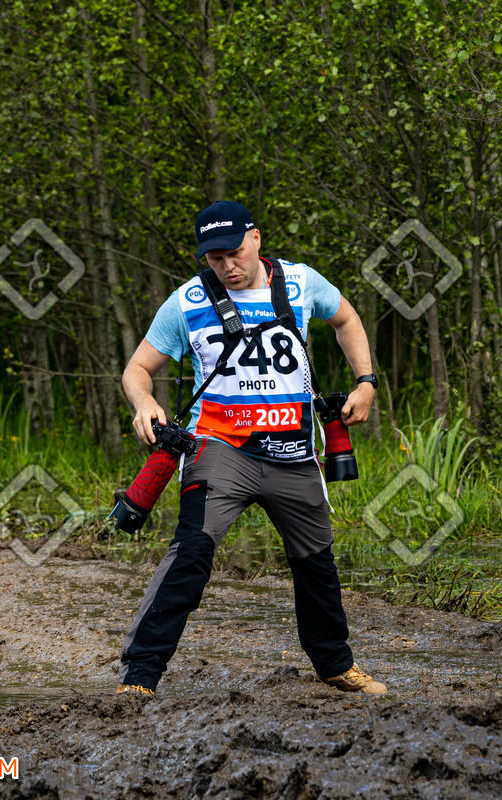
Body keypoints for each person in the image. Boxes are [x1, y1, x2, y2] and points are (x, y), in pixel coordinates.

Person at [115, 200, 386, 697]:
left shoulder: (301, 282)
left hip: (294, 451)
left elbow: (346, 319)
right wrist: (144, 401)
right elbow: (137, 369)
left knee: (316, 563)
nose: (228, 266)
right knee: (192, 553)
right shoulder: (187, 301)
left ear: (256, 238)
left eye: (235, 253)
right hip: (219, 449)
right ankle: (140, 676)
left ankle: (335, 665)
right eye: (215, 258)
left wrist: (365, 382)